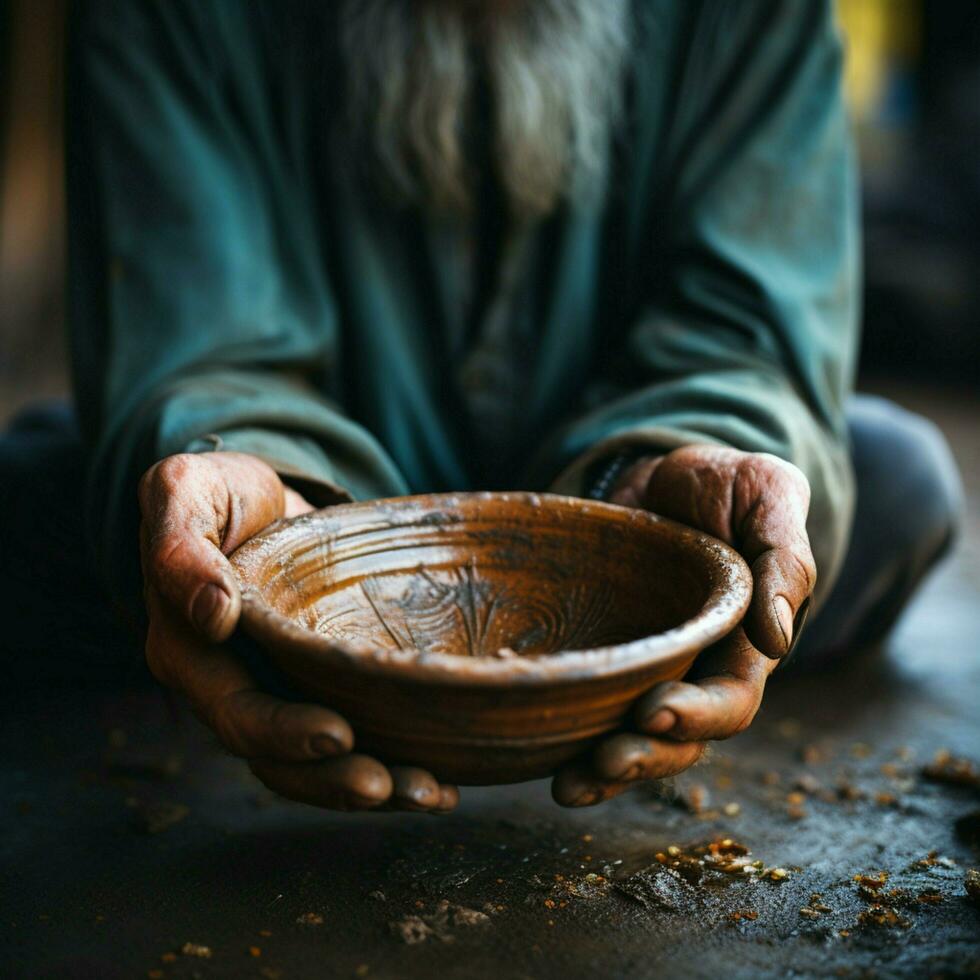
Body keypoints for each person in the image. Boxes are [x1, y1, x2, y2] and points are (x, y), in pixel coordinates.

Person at [0, 0, 962, 813]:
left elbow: (749, 324)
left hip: (623, 516)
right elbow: (196, 341)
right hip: (313, 537)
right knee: (93, 509)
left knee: (886, 486)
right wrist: (250, 484)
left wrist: (680, 464)